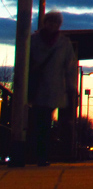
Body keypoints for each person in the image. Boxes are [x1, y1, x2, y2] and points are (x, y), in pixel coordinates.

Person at [28, 11, 77, 165]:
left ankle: (41, 155)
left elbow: (70, 67)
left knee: (44, 120)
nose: (52, 25)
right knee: (40, 120)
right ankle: (39, 155)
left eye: (55, 22)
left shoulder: (64, 43)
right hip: (38, 86)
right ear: (45, 22)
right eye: (50, 21)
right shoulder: (33, 40)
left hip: (55, 88)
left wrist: (71, 86)